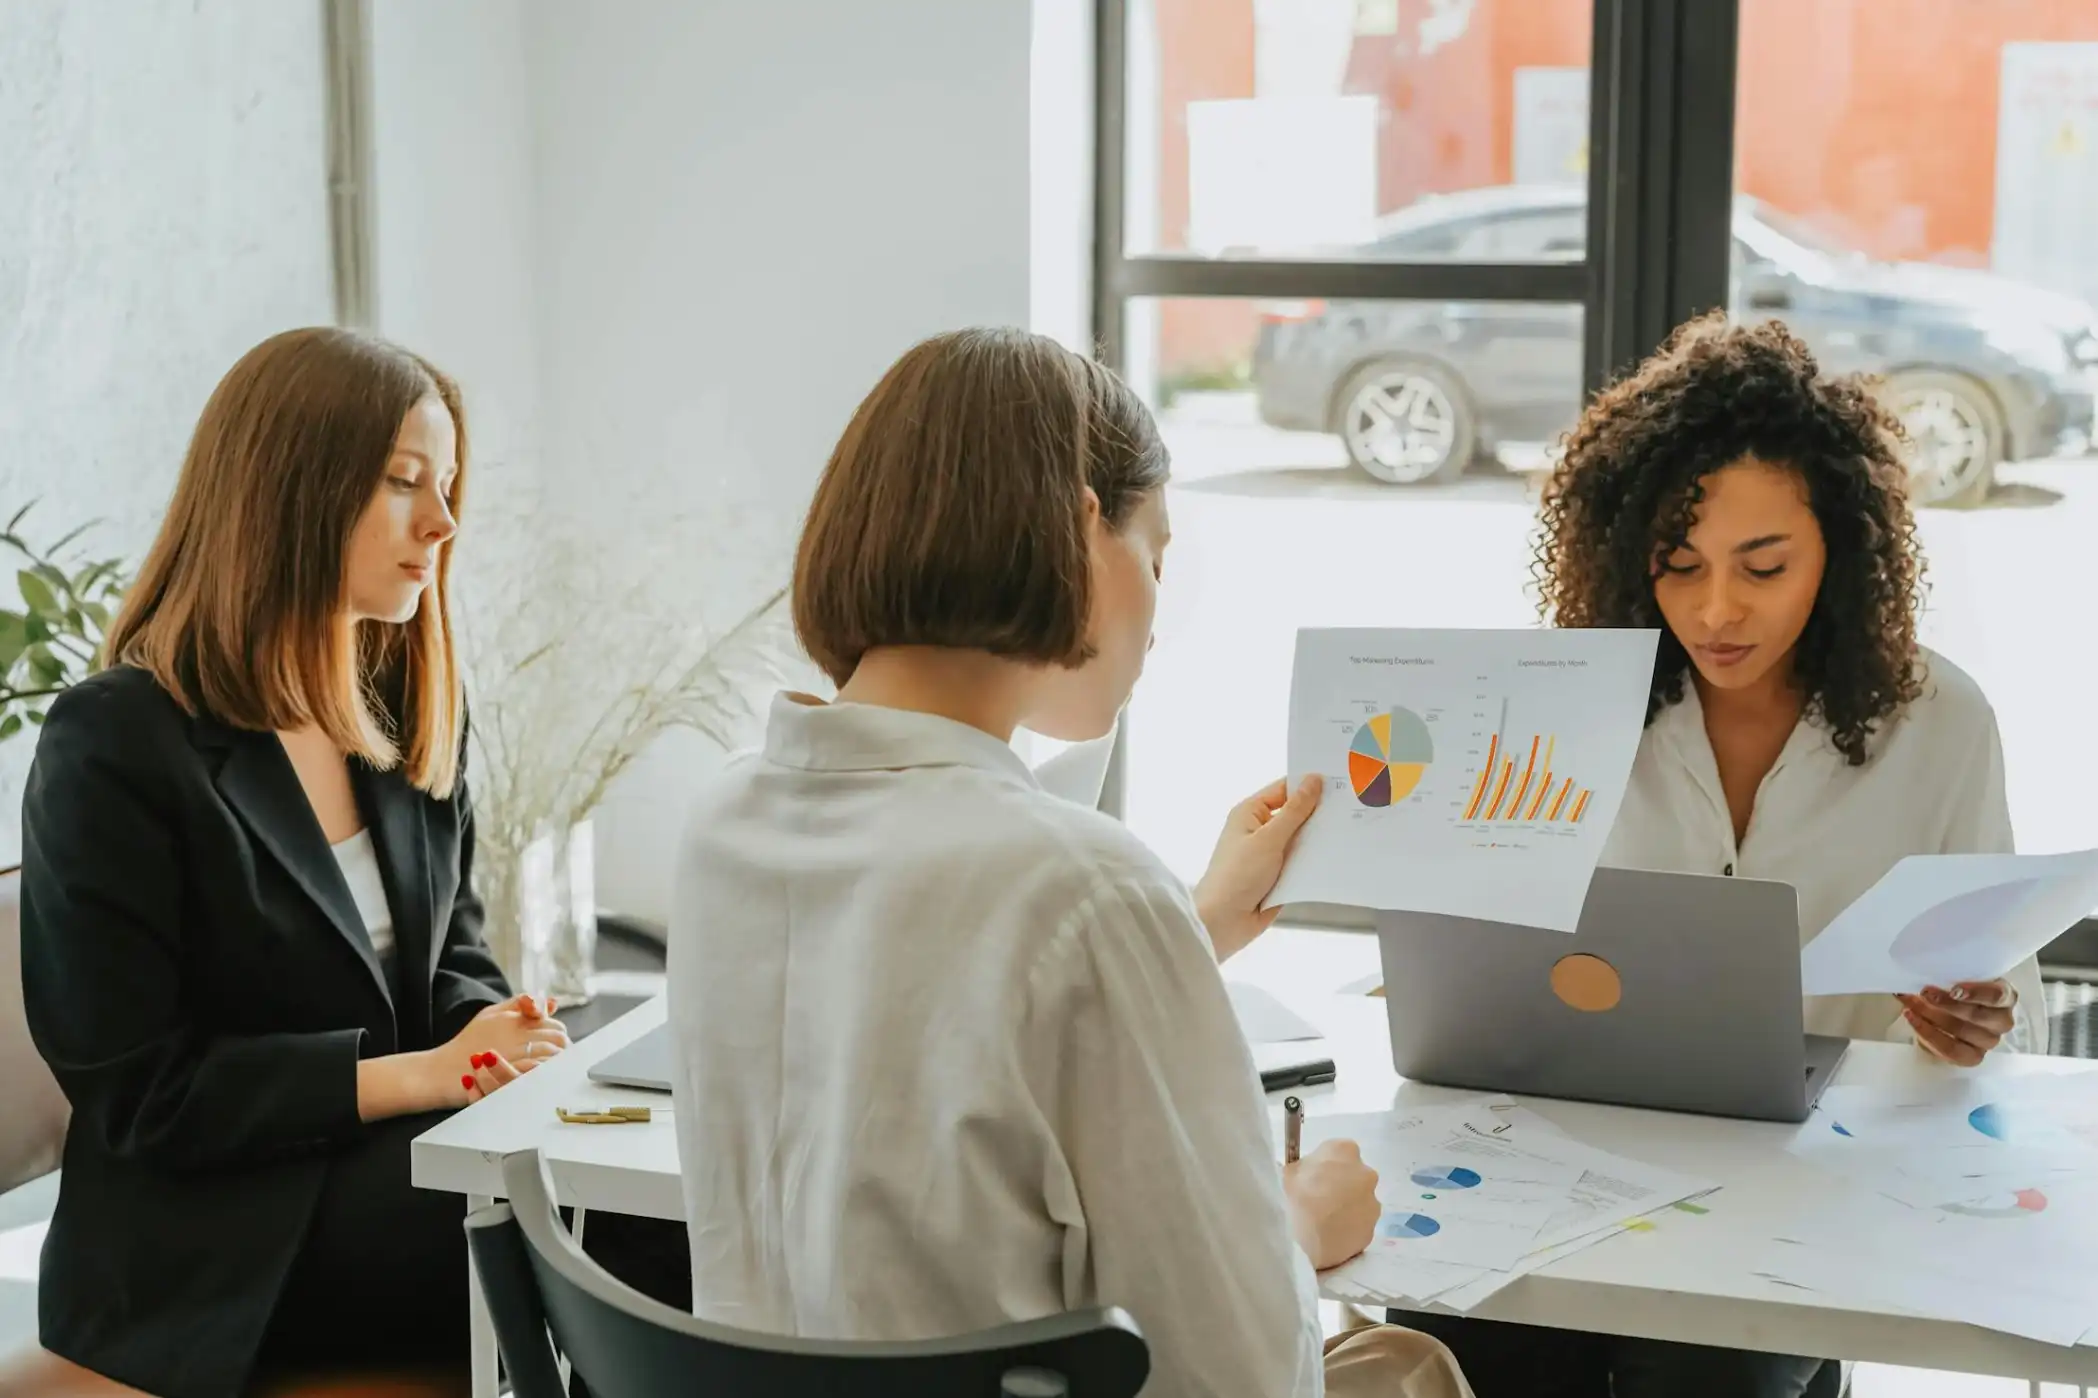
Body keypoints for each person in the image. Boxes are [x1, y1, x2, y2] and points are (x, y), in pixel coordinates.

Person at [666, 327, 1474, 1398]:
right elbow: (1239, 1374)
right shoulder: (1081, 890)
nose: (1157, 613)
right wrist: (1296, 1221)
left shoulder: (723, 821)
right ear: (1082, 529)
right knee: (1405, 1363)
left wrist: (1182, 931)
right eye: (1157, 551)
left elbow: (932, 1013)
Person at [1400, 314, 2045, 1398]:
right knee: (1452, 1331)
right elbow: (1479, 957)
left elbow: (1996, 989)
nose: (1716, 609)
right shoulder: (1567, 706)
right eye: (1677, 565)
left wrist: (1971, 1018)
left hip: (1803, 1191)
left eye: (1763, 565)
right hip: (1569, 1159)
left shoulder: (1940, 723)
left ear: (1840, 548)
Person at [12, 328, 567, 1398]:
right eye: (406, 481)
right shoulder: (116, 740)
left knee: (654, 1207)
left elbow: (455, 957)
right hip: (205, 1241)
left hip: (389, 1174)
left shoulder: (408, 709)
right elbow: (143, 1096)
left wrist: (501, 1047)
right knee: (630, 1240)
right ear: (291, 489)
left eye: (447, 486)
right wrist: (419, 1076)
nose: (444, 523)